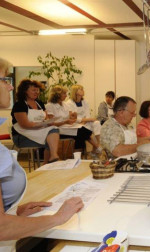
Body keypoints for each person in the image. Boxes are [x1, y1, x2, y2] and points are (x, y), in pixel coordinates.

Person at [0, 57, 83, 249]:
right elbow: (2, 228)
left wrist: (15, 212)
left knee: (52, 131)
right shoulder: (20, 106)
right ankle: (53, 158)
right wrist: (58, 217)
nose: (10, 87)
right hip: (27, 134)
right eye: (4, 80)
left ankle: (52, 158)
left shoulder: (40, 105)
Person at [11, 79, 60, 164]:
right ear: (25, 91)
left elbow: (46, 118)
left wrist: (49, 121)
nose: (36, 92)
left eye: (37, 90)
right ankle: (49, 161)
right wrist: (41, 125)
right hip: (22, 136)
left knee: (54, 130)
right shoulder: (19, 105)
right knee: (51, 139)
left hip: (38, 131)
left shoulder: (39, 103)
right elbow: (24, 125)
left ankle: (51, 159)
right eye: (33, 90)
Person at [46, 85, 101, 154]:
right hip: (58, 128)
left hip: (68, 125)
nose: (66, 95)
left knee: (83, 132)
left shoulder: (64, 104)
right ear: (57, 95)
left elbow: (71, 116)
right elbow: (52, 123)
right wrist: (66, 121)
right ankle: (97, 147)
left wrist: (73, 116)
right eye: (64, 94)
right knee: (83, 132)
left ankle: (79, 155)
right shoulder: (50, 106)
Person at [65, 85, 102, 150]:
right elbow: (73, 118)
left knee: (97, 123)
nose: (83, 90)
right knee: (83, 130)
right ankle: (97, 148)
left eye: (83, 89)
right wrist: (86, 120)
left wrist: (85, 121)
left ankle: (97, 145)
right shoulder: (69, 103)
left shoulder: (85, 102)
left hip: (85, 122)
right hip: (76, 124)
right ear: (76, 92)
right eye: (81, 89)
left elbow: (87, 114)